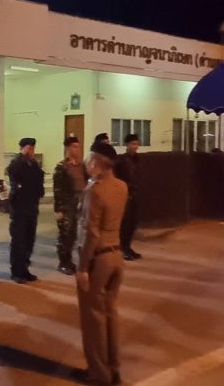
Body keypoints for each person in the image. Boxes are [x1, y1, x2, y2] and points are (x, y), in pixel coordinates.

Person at [74, 142, 128, 386]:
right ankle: (113, 368)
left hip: (99, 259)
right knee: (110, 313)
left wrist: (83, 267)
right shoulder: (121, 187)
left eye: (89, 160)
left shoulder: (94, 191)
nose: (86, 164)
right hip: (117, 255)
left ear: (96, 163)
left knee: (93, 318)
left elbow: (91, 233)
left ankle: (99, 373)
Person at [6, 137, 45, 283]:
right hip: (19, 207)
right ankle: (17, 271)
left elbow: (38, 179)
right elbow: (11, 172)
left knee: (29, 239)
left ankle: (25, 268)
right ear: (22, 148)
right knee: (18, 240)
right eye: (29, 148)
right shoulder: (16, 162)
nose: (31, 151)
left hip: (32, 206)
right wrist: (23, 158)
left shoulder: (33, 164)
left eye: (33, 148)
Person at [53, 136, 88, 275]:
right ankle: (63, 262)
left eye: (78, 146)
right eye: (74, 146)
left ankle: (69, 260)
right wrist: (58, 209)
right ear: (67, 148)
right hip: (66, 203)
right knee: (65, 234)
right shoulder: (62, 167)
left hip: (79, 202)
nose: (77, 149)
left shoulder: (82, 166)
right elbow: (57, 190)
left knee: (73, 233)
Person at [115, 134, 142, 261]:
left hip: (135, 195)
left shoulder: (138, 160)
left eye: (136, 144)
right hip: (125, 195)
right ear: (127, 145)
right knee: (125, 223)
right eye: (133, 144)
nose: (135, 146)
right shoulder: (121, 161)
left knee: (133, 223)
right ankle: (122, 248)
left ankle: (127, 246)